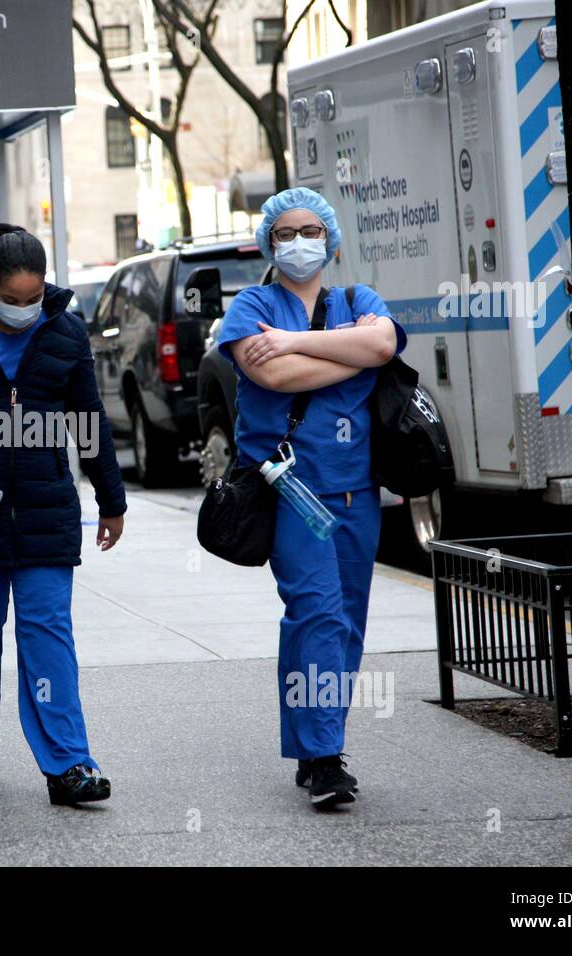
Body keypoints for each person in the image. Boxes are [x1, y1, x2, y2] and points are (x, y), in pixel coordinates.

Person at [213, 187, 406, 809]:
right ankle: (325, 757)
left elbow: (381, 346)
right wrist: (349, 351)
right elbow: (271, 375)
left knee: (344, 623)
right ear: (270, 243)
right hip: (291, 490)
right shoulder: (250, 305)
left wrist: (296, 342)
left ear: (329, 238)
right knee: (316, 613)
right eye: (285, 233)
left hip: (356, 489)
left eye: (309, 231)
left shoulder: (359, 300)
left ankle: (314, 739)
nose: (298, 242)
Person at [0, 223, 127, 807]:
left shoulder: (65, 329)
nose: (22, 310)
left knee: (48, 634)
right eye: (11, 300)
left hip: (45, 510)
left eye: (32, 299)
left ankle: (69, 763)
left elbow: (88, 419)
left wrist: (110, 500)